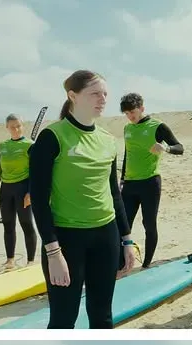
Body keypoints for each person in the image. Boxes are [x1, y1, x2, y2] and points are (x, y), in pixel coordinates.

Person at [28, 70, 135, 329]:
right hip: (66, 240)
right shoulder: (52, 137)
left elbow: (114, 194)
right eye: (95, 94)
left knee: (102, 316)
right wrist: (53, 252)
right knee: (63, 319)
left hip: (105, 237)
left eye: (105, 94)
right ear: (73, 96)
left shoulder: (108, 140)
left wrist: (126, 239)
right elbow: (39, 200)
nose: (102, 99)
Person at [120, 93, 184, 269]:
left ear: (142, 108)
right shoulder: (127, 129)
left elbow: (180, 148)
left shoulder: (158, 126)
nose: (130, 116)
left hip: (150, 183)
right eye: (126, 113)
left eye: (132, 112)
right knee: (123, 225)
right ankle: (121, 263)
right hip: (129, 184)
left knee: (149, 223)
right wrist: (122, 179)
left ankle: (146, 264)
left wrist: (166, 147)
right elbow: (128, 154)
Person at [0, 114, 37, 270]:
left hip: (23, 189)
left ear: (22, 126)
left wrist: (30, 193)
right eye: (12, 127)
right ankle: (10, 260)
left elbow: (35, 171)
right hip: (6, 190)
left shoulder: (30, 145)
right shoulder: (3, 145)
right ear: (7, 127)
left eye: (18, 126)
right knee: (8, 225)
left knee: (26, 224)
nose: (15, 129)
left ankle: (30, 260)